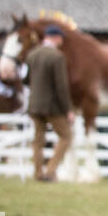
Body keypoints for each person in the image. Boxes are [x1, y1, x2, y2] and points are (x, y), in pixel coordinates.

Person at [26, 25, 74, 182]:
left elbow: (26, 80)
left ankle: (38, 173)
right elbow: (61, 86)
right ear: (55, 37)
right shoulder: (57, 56)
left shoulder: (32, 55)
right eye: (61, 38)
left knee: (38, 141)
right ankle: (50, 171)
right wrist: (68, 109)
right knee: (66, 136)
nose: (62, 41)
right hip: (52, 106)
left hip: (34, 105)